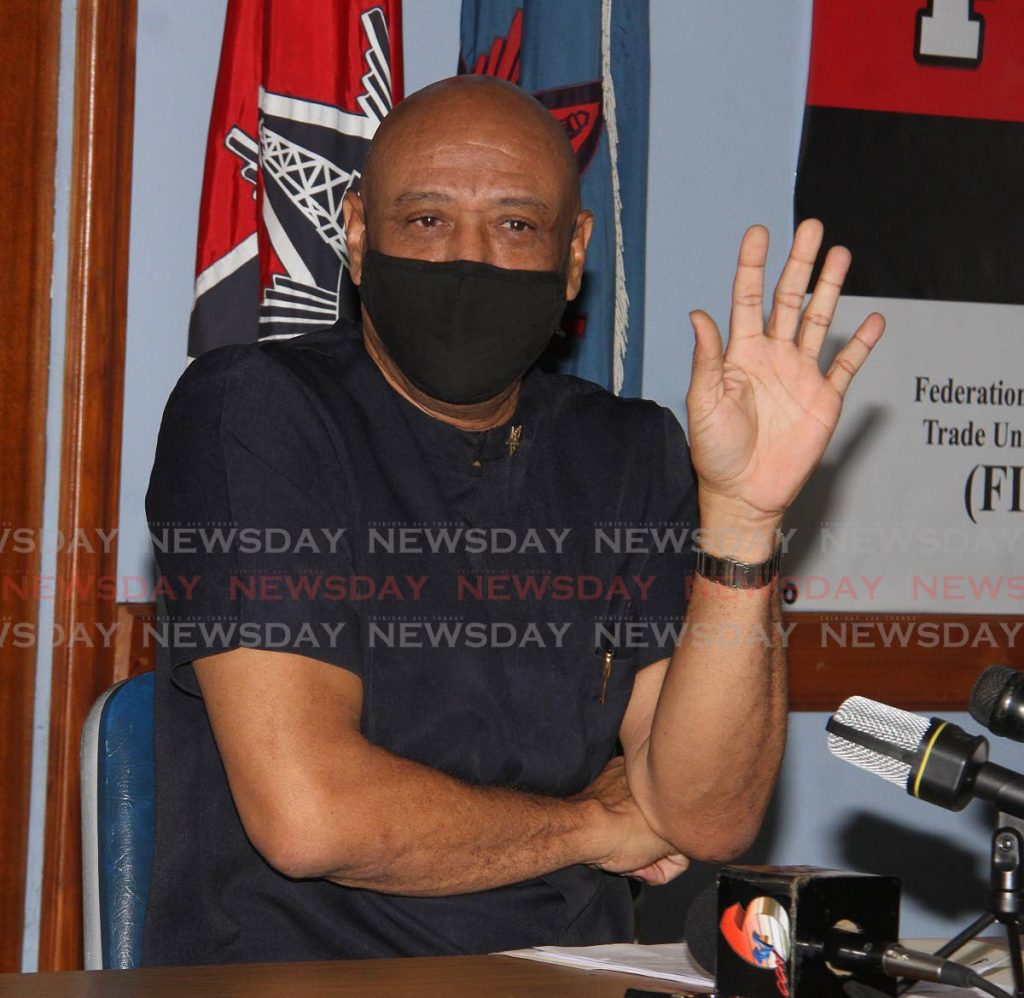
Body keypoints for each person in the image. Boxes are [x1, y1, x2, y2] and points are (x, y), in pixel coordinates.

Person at [141, 75, 884, 965]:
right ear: (355, 232)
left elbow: (705, 814)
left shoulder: (630, 451)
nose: (470, 259)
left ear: (574, 255)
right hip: (307, 979)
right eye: (425, 220)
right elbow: (311, 817)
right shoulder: (255, 411)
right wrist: (593, 827)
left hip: (575, 975)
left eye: (516, 226)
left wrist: (744, 516)